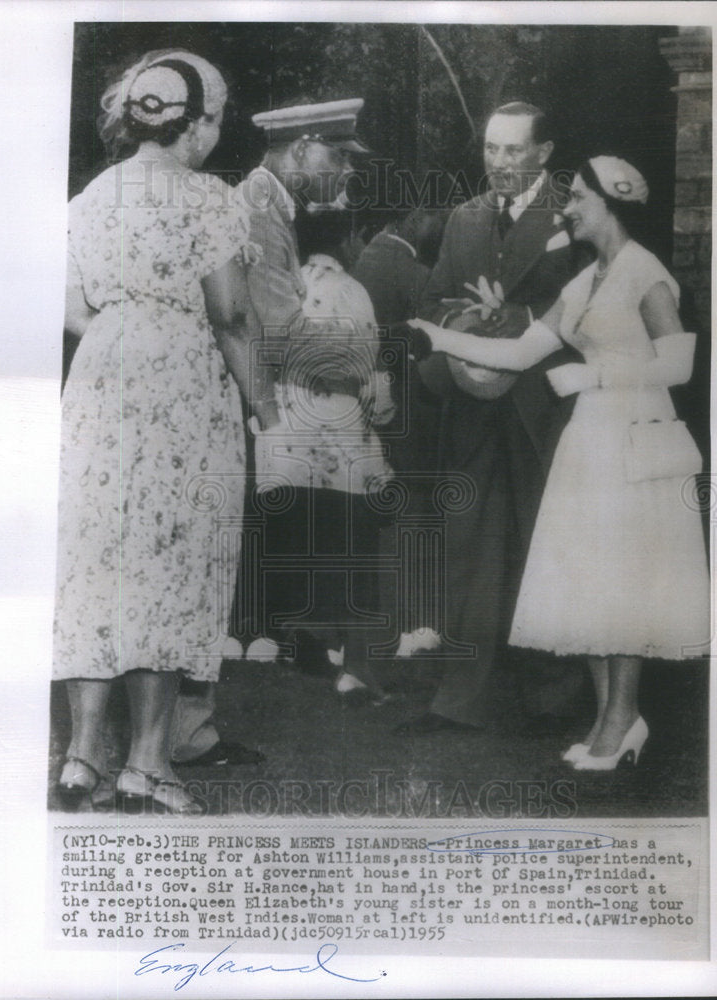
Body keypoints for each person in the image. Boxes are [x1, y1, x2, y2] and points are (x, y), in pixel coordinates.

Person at [409, 156, 709, 769]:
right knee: (593, 582)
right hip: (592, 438)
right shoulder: (588, 278)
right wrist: (440, 339)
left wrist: (592, 373)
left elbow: (679, 365)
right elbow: (520, 353)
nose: (566, 207)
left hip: (633, 438)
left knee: (624, 584)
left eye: (575, 198)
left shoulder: (642, 273)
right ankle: (612, 719)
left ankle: (622, 718)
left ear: (610, 202)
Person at [54, 50, 279, 814]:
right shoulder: (209, 200)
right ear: (199, 125)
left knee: (99, 557)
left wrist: (125, 327)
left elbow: (70, 306)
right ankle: (149, 765)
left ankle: (83, 755)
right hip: (183, 378)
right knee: (172, 558)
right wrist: (266, 410)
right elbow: (230, 313)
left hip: (101, 372)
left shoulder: (90, 195)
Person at [398, 101, 586, 736]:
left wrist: (517, 318)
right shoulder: (464, 218)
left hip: (547, 410)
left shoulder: (575, 214)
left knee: (545, 542)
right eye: (491, 149)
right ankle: (460, 700)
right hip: (475, 406)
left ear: (543, 153)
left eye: (513, 150)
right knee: (469, 548)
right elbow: (433, 302)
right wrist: (462, 321)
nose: (499, 163)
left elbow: (595, 312)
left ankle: (554, 699)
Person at [237, 99, 395, 698]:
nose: (346, 173)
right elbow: (281, 331)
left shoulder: (273, 206)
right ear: (301, 149)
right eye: (338, 157)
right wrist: (367, 366)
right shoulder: (257, 208)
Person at [352, 208, 447, 652]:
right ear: (412, 218)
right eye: (438, 215)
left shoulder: (370, 255)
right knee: (415, 512)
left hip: (376, 403)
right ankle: (414, 622)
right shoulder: (408, 268)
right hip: (408, 407)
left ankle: (386, 623)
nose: (445, 224)